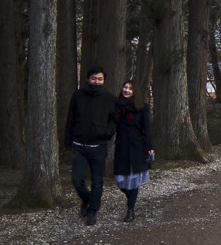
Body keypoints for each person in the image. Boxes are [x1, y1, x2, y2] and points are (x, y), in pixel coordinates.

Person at [64, 65, 117, 226]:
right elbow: (70, 119)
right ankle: (86, 199)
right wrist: (68, 141)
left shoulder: (110, 98)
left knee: (97, 181)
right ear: (88, 79)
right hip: (79, 145)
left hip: (99, 146)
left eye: (100, 79)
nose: (96, 81)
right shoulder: (78, 95)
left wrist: (106, 134)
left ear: (104, 81)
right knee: (77, 179)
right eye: (94, 78)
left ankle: (92, 211)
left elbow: (114, 122)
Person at [114, 79, 155, 223]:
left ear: (134, 92)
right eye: (125, 87)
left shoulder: (142, 107)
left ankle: (130, 210)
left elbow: (147, 129)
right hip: (121, 147)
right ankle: (130, 199)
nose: (126, 90)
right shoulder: (117, 107)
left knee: (135, 180)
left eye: (130, 89)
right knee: (119, 180)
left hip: (138, 148)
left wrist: (150, 147)